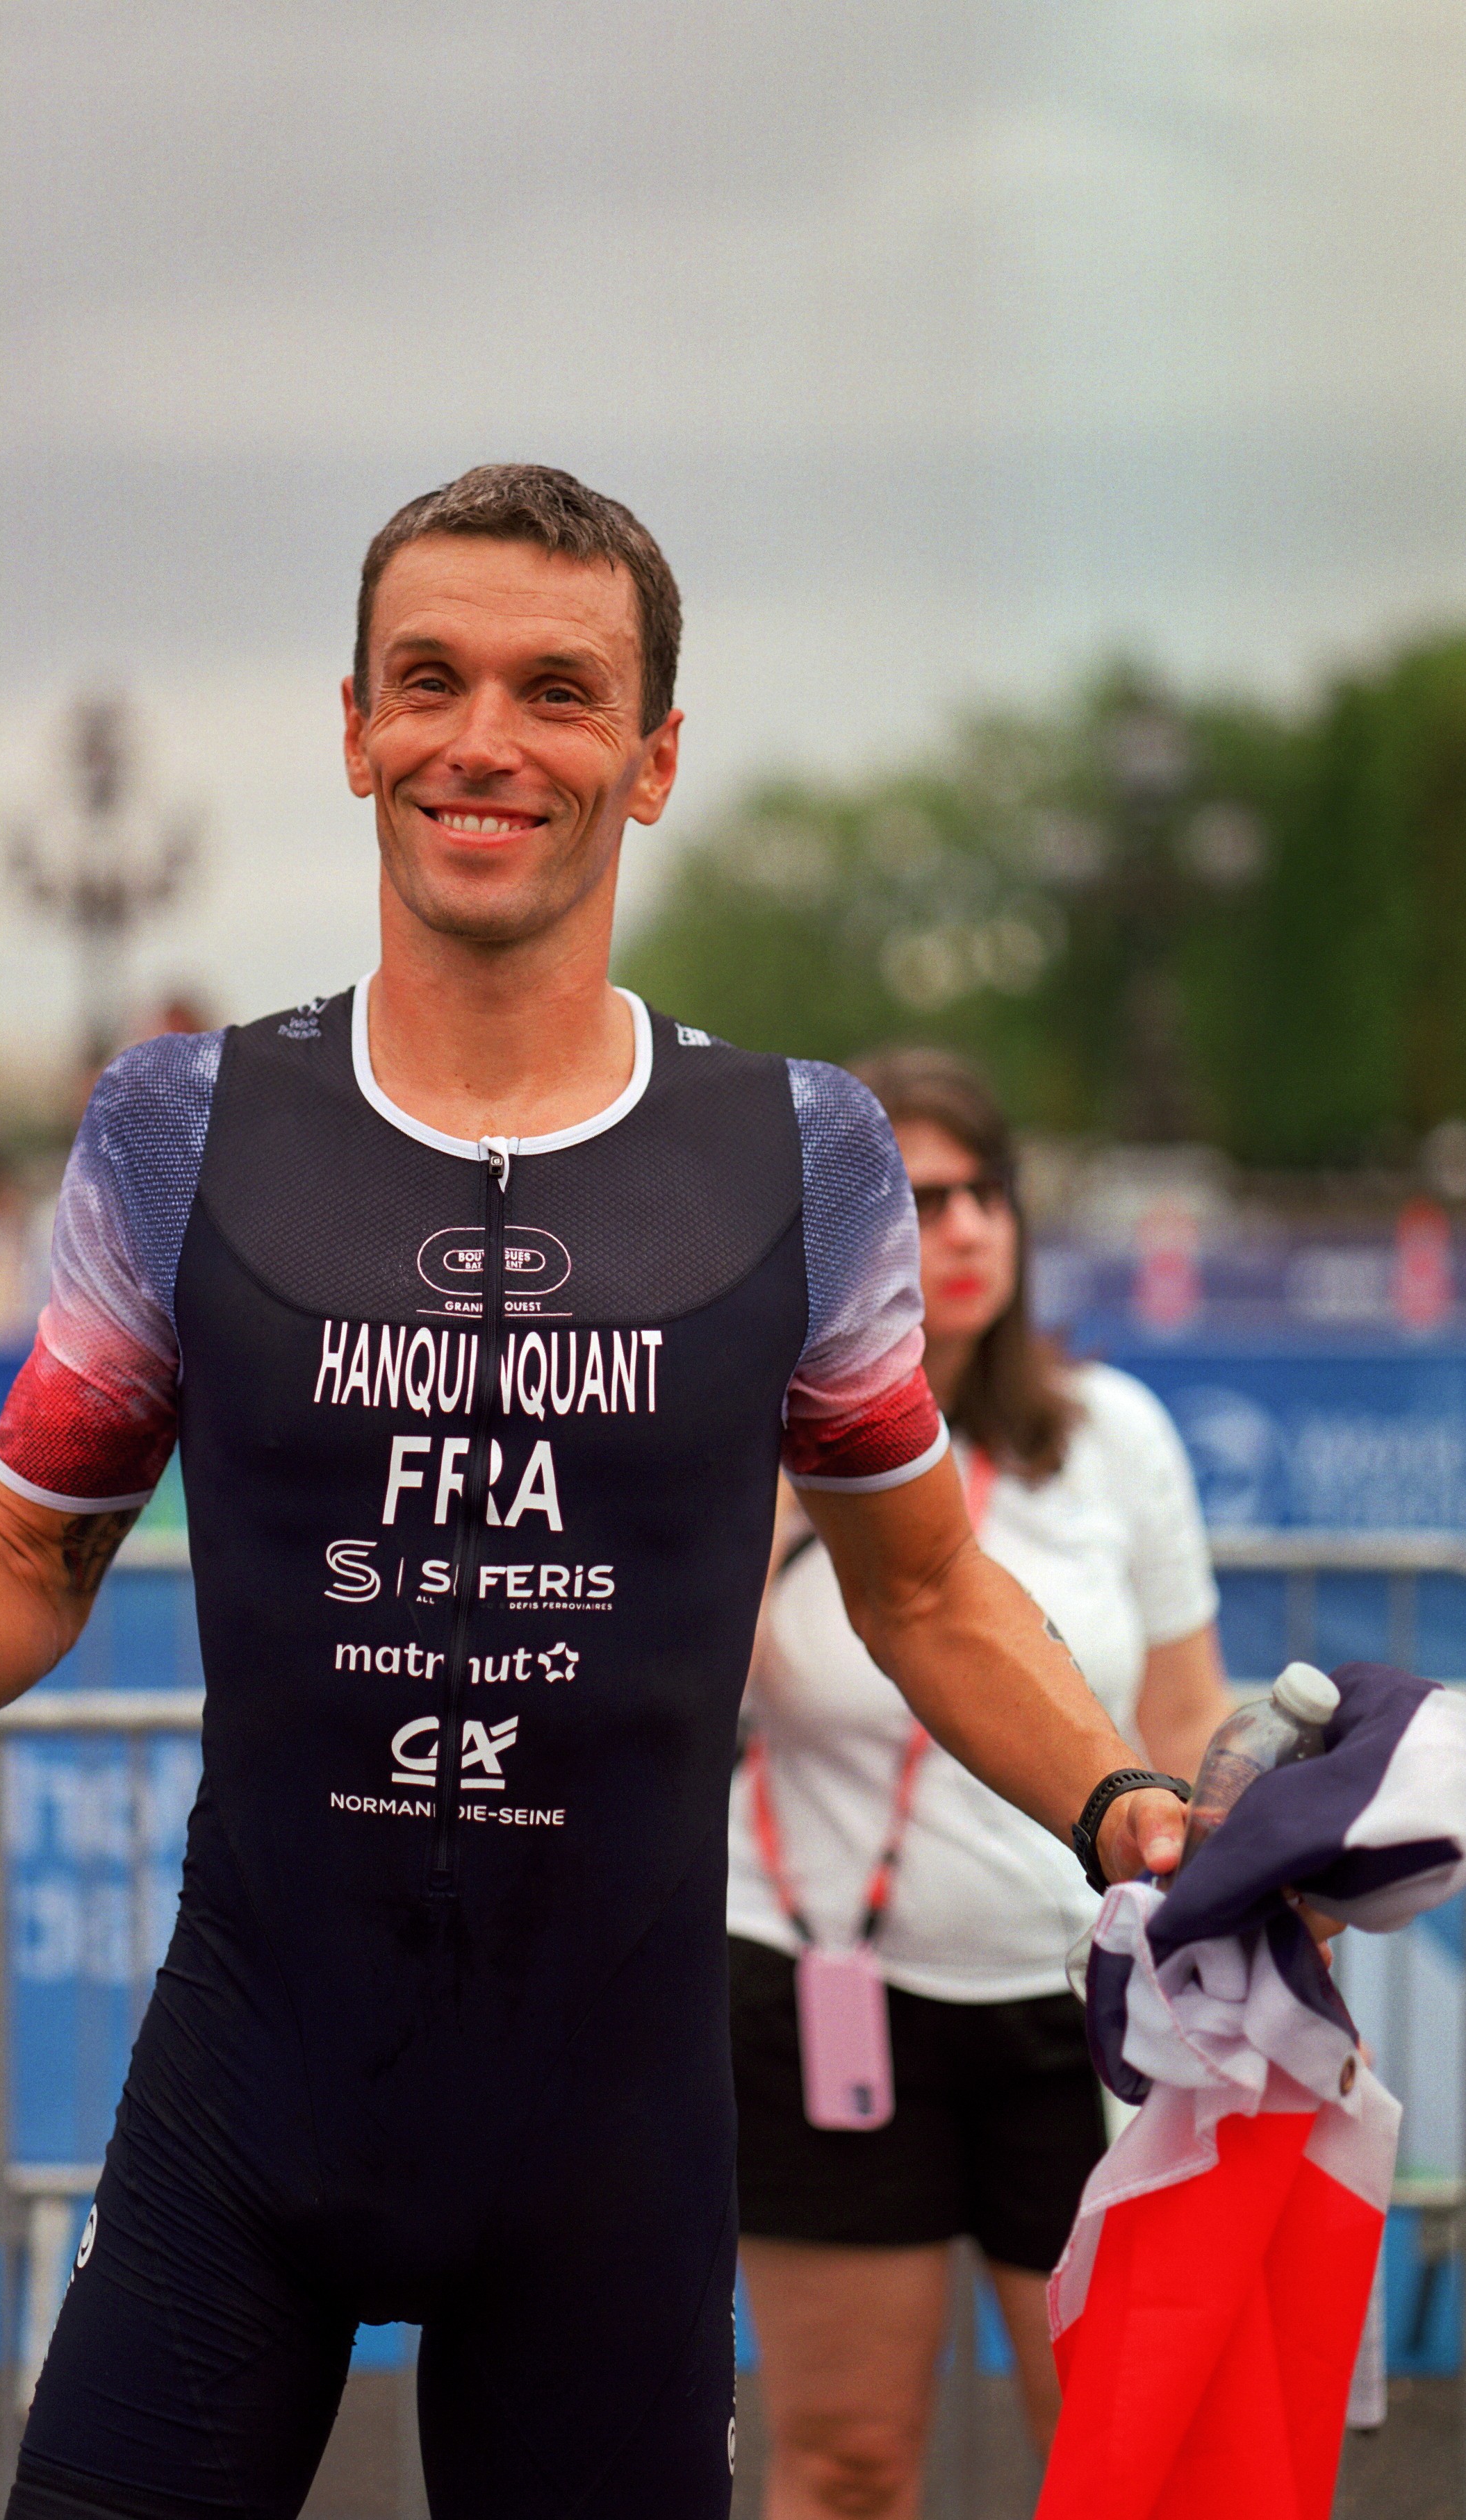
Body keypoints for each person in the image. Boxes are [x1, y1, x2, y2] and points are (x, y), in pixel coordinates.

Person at [0, 465, 1194, 2520]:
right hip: (248, 2104)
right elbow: (31, 1559)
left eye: (557, 690)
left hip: (611, 2151)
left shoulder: (805, 1155)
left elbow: (930, 1591)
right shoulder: (181, 1125)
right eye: (429, 680)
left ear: (653, 758)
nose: (482, 738)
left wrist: (1125, 1810)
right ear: (355, 729)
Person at [729, 1047, 1231, 2520]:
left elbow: (1183, 1707)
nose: (959, 1228)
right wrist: (787, 1472)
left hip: (1083, 2004)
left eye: (984, 1193)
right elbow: (687, 1686)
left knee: (1124, 2456)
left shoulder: (1112, 1431)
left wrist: (1225, 1868)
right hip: (814, 1991)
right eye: (915, 1198)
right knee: (847, 2458)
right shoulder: (757, 1432)